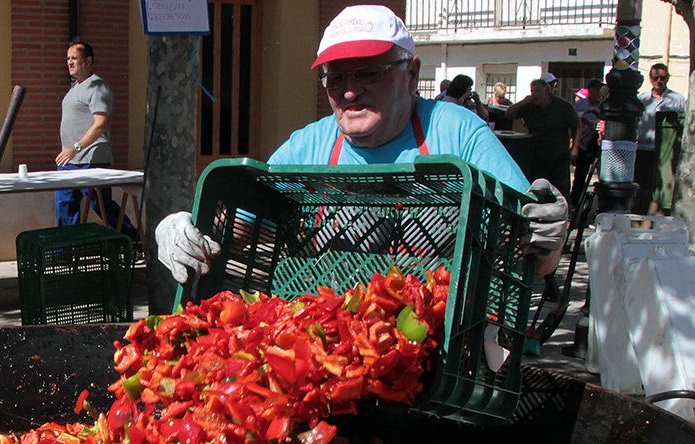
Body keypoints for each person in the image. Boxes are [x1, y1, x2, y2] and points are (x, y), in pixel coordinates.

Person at [156, 5, 567, 289]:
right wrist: (185, 228)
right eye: (337, 78)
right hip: (330, 349)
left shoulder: (459, 133)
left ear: (412, 74)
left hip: (443, 347)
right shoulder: (307, 147)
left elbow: (529, 246)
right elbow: (236, 227)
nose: (350, 92)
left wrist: (548, 241)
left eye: (370, 73)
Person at [54, 40, 136, 238]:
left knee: (100, 205)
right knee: (64, 205)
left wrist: (76, 148)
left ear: (88, 61)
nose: (69, 63)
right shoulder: (75, 88)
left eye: (74, 58)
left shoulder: (97, 87)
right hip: (68, 161)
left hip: (91, 159)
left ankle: (132, 239)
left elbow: (100, 124)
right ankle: (65, 248)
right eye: (68, 59)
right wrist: (70, 152)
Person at [505, 78, 578, 197]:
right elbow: (508, 114)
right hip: (537, 154)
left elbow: (576, 125)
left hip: (558, 153)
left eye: (537, 91)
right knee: (539, 187)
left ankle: (564, 212)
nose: (534, 94)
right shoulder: (529, 106)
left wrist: (575, 147)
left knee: (561, 188)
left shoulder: (562, 106)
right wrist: (523, 102)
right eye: (532, 91)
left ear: (547, 90)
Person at [633, 63, 687, 215]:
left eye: (662, 78)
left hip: (668, 151)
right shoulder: (642, 100)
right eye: (655, 78)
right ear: (650, 79)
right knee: (643, 185)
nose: (659, 81)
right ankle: (641, 213)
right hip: (644, 149)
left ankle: (663, 214)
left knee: (664, 185)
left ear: (668, 78)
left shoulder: (678, 100)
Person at [571, 77, 605, 209]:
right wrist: (574, 146)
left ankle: (600, 206)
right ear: (590, 90)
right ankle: (575, 204)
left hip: (600, 146)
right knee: (580, 176)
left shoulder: (604, 105)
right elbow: (574, 125)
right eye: (597, 89)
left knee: (603, 178)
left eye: (600, 90)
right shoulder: (580, 105)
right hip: (583, 144)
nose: (599, 92)